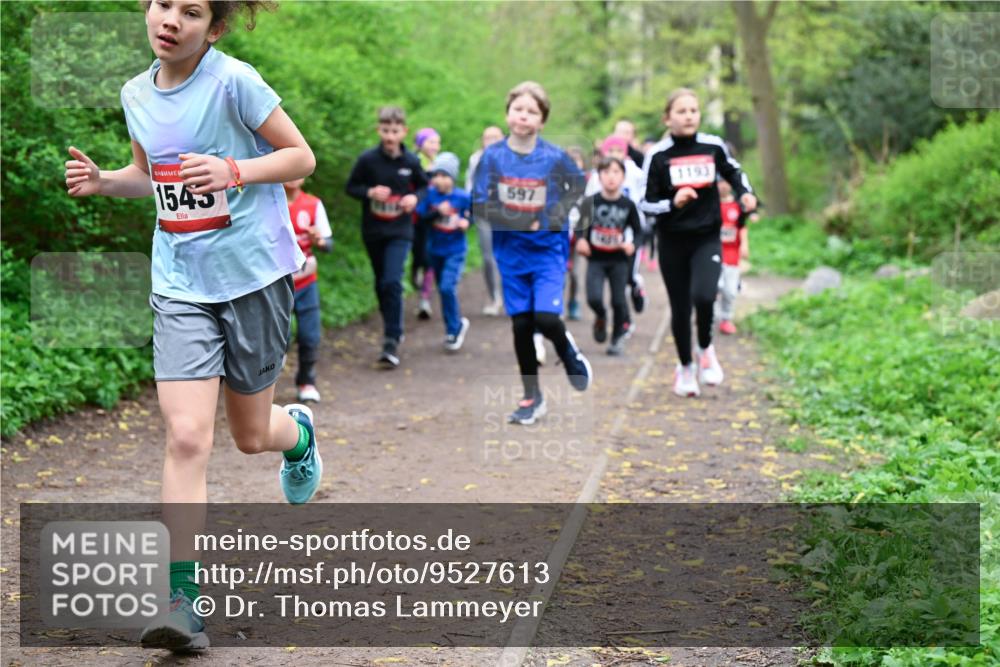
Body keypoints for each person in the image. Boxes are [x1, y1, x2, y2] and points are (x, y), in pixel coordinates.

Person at [65, 0, 322, 651]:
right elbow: (152, 179)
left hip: (255, 279)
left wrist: (236, 168)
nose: (170, 19)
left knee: (249, 434)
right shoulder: (135, 93)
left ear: (215, 25)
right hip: (180, 285)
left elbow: (300, 158)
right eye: (161, 4)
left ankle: (298, 435)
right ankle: (184, 600)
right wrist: (104, 180)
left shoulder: (235, 82)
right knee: (185, 436)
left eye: (191, 10)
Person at [473, 81, 592, 425]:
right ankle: (531, 397)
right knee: (521, 325)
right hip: (510, 253)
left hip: (548, 251)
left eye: (532, 112)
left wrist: (553, 216)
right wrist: (515, 219)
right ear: (508, 113)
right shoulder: (492, 157)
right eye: (518, 109)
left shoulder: (555, 157)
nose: (523, 116)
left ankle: (568, 353)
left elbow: (579, 186)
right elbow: (479, 206)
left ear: (542, 121)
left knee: (546, 318)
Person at [641, 88, 757, 397]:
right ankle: (685, 368)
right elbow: (645, 202)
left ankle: (705, 348)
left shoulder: (712, 146)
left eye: (693, 110)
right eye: (681, 111)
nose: (689, 116)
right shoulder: (658, 155)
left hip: (707, 237)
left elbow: (735, 173)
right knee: (680, 309)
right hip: (672, 241)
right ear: (667, 118)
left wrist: (746, 195)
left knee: (705, 296)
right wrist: (673, 202)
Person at [346, 106, 427, 368]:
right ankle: (392, 325)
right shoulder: (368, 160)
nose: (390, 136)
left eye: (395, 131)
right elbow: (351, 187)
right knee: (382, 283)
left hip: (401, 230)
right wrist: (369, 192)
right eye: (385, 130)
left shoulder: (411, 162)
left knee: (393, 280)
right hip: (373, 230)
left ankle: (391, 338)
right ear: (378, 130)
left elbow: (424, 185)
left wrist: (415, 197)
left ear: (404, 132)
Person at [575, 156, 643, 355]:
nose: (611, 177)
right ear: (599, 177)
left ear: (623, 177)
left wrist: (632, 244)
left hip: (619, 260)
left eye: (616, 172)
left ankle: (617, 339)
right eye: (606, 172)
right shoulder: (591, 202)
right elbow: (580, 227)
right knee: (594, 298)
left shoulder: (628, 205)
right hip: (595, 259)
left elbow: (639, 232)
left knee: (619, 301)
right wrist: (580, 240)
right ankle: (601, 316)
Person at [585, 135, 648, 314]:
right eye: (610, 150)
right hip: (604, 229)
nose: (615, 154)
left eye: (619, 150)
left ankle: (635, 286)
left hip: (627, 228)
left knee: (627, 275)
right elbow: (587, 201)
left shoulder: (634, 172)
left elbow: (646, 190)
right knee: (607, 281)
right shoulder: (599, 175)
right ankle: (618, 315)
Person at [416, 152, 472, 350]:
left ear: (453, 178)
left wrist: (466, 222)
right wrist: (437, 212)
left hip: (455, 250)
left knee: (448, 287)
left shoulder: (463, 197)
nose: (440, 179)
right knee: (443, 290)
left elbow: (472, 215)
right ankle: (454, 326)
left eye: (445, 175)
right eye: (437, 175)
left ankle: (453, 330)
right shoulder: (430, 196)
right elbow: (420, 218)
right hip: (435, 250)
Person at [284, 177, 333, 401]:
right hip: (275, 285)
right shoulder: (267, 202)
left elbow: (328, 245)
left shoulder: (313, 204)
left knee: (309, 335)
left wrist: (319, 241)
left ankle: (307, 382)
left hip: (306, 281)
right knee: (276, 337)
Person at [465, 125, 505, 316]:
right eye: (488, 138)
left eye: (495, 137)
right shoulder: (476, 159)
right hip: (484, 214)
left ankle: (512, 297)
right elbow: (469, 186)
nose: (491, 141)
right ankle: (494, 297)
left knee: (507, 256)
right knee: (488, 258)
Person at [715, 179, 758, 335]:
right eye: (720, 183)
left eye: (726, 182)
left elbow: (742, 226)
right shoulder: (710, 205)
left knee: (730, 291)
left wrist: (745, 245)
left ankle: (726, 319)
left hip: (732, 252)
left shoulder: (738, 206)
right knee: (715, 286)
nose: (723, 186)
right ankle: (711, 316)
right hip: (714, 251)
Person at [412, 127, 441, 319]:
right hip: (416, 217)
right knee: (420, 255)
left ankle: (425, 299)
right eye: (430, 141)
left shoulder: (441, 164)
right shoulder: (414, 162)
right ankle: (415, 271)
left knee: (429, 258)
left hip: (434, 217)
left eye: (437, 142)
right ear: (420, 144)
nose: (434, 146)